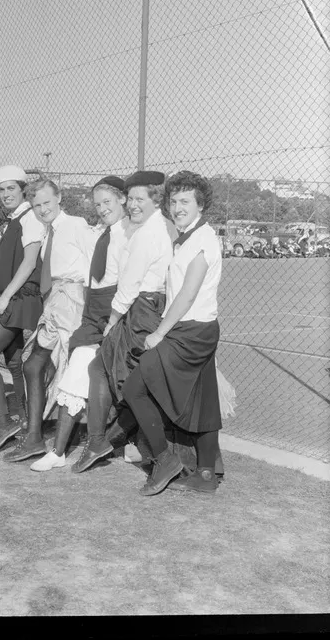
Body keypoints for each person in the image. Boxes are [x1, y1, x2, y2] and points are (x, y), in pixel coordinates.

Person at [119, 171, 224, 495]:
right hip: (196, 328)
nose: (178, 207)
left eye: (185, 201)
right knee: (203, 400)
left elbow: (188, 294)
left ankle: (165, 460)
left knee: (135, 388)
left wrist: (159, 333)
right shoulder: (188, 236)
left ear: (200, 205)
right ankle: (207, 473)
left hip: (189, 331)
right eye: (174, 201)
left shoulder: (202, 240)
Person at [71, 170, 176, 474]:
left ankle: (108, 442)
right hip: (145, 307)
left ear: (156, 199)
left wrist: (111, 322)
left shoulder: (148, 233)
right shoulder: (155, 227)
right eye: (130, 199)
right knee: (113, 374)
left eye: (139, 199)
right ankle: (104, 441)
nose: (132, 205)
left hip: (140, 309)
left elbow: (129, 285)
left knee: (121, 379)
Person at [30, 175, 137, 471]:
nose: (102, 208)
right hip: (94, 311)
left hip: (116, 313)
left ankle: (95, 443)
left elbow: (129, 281)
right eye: (98, 203)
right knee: (76, 371)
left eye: (107, 202)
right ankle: (64, 450)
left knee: (90, 372)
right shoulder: (103, 232)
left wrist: (114, 319)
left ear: (123, 200)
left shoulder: (129, 234)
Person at [2, 178, 96, 463]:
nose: (43, 209)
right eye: (37, 205)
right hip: (54, 302)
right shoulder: (47, 233)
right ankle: (34, 436)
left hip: (74, 302)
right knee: (33, 363)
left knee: (68, 368)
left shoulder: (77, 225)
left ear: (59, 199)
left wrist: (90, 312)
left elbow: (94, 267)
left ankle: (61, 441)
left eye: (47, 203)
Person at [0, 165, 46, 454]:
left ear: (22, 189)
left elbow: (29, 263)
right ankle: (27, 424)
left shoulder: (31, 219)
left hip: (17, 299)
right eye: (1, 190)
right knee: (14, 363)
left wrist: (4, 299)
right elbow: (11, 259)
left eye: (11, 188)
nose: (5, 194)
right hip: (11, 297)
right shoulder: (16, 220)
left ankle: (3, 422)